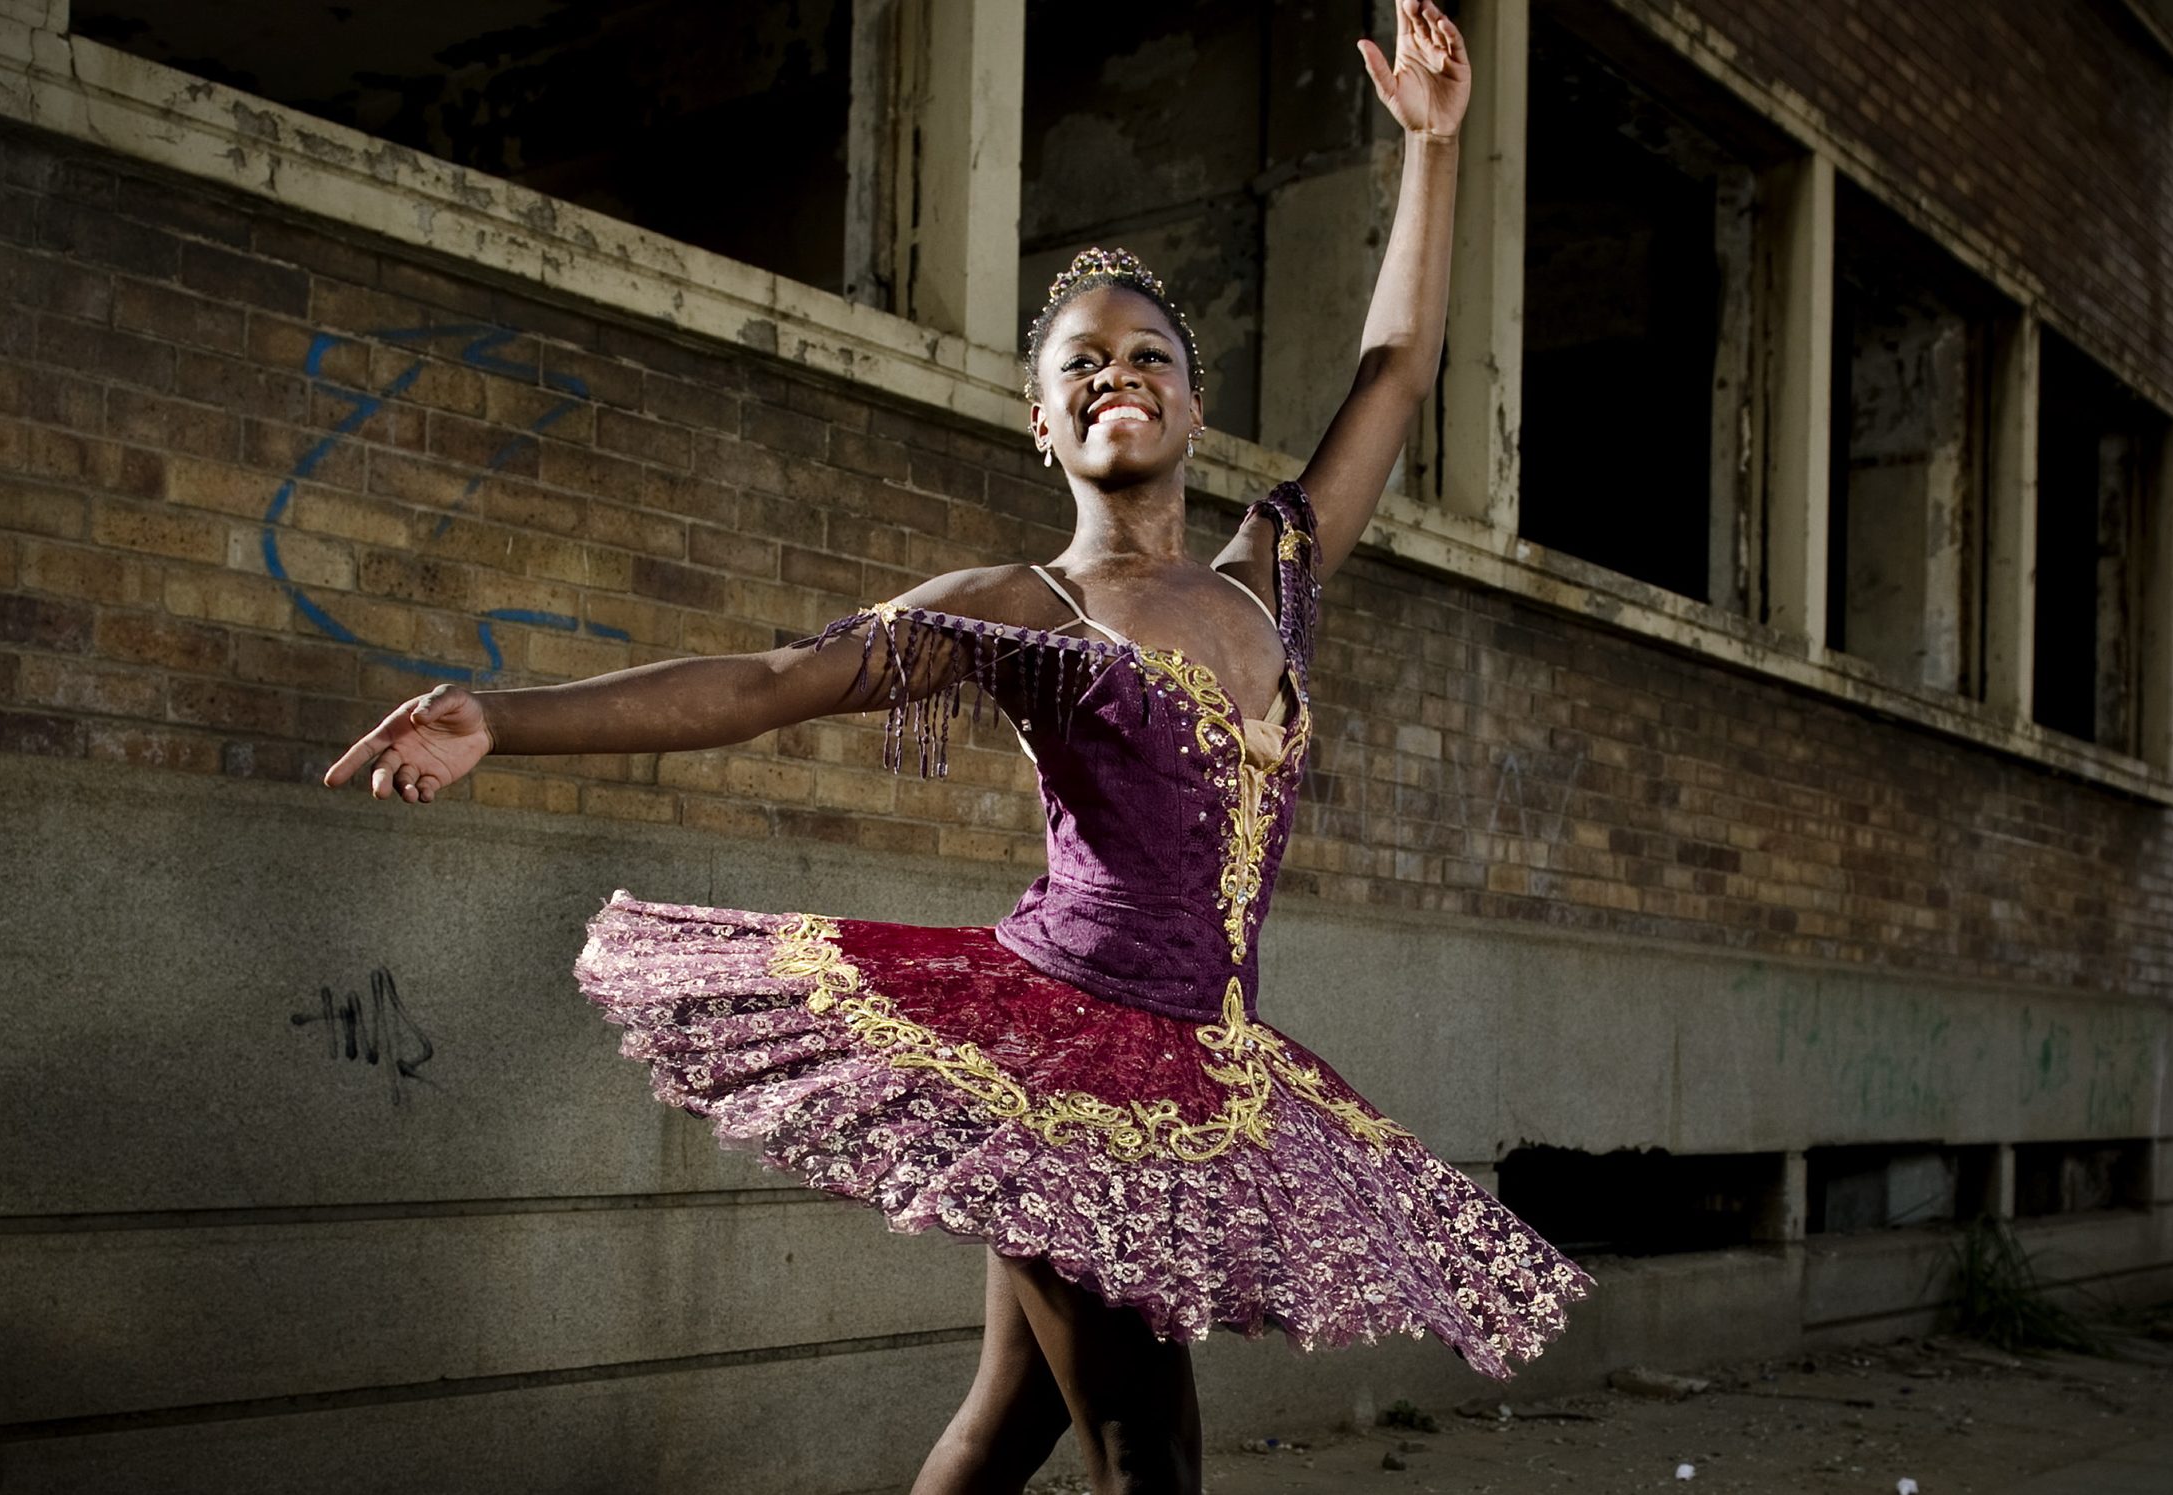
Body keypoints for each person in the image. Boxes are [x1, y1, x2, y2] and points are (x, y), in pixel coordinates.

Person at [325, 4, 1590, 1490]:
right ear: (1041, 427)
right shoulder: (1018, 609)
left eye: (1146, 357)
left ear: (1194, 397)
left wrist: (1432, 153)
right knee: (1146, 1449)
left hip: (1207, 1055)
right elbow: (764, 680)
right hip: (1063, 1055)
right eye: (1079, 368)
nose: (1116, 375)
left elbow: (1393, 368)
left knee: (1016, 1417)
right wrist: (508, 719)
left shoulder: (1272, 572)